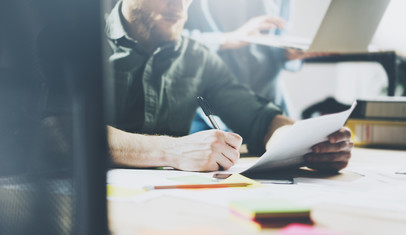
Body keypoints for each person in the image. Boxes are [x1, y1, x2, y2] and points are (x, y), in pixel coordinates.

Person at [105, 0, 353, 172]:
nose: (179, 5)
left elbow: (260, 119)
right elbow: (67, 131)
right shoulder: (78, 44)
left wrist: (310, 145)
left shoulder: (197, 56)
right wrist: (173, 150)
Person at [184, 0, 325, 132]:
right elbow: (170, 40)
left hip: (270, 104)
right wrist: (226, 39)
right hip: (209, 115)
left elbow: (279, 42)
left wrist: (290, 54)